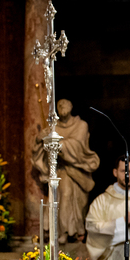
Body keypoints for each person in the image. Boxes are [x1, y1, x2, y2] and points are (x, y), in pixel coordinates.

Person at [32, 98, 100, 243]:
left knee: (68, 196)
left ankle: (69, 232)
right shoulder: (53, 127)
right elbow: (40, 148)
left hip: (76, 171)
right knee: (58, 197)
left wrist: (58, 144)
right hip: (59, 170)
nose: (62, 106)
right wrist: (41, 138)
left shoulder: (81, 125)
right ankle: (61, 232)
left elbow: (78, 146)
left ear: (72, 106)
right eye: (59, 104)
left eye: (65, 103)